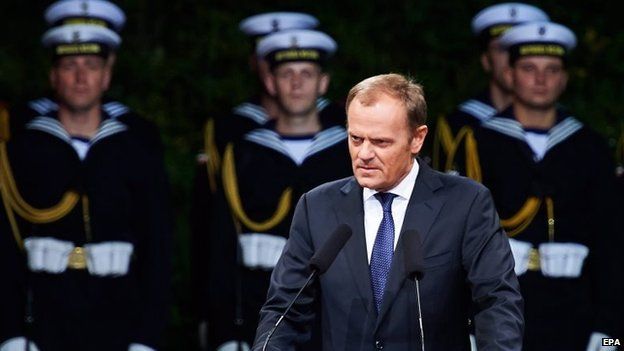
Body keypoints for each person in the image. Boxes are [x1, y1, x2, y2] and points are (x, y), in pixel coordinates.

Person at [253, 73, 523, 350]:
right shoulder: (317, 207)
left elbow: (497, 302)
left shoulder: (466, 203)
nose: (364, 154)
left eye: (380, 142)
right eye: (356, 139)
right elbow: (284, 312)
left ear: (416, 139)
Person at [0, 5, 172, 351]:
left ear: (107, 76)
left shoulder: (135, 146)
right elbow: (3, 247)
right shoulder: (20, 147)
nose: (81, 78)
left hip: (117, 314)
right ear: (53, 75)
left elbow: (158, 248)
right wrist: (10, 333)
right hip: (43, 317)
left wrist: (147, 337)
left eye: (91, 67)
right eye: (69, 66)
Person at [199, 29, 352, 351]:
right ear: (270, 83)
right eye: (286, 74)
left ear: (323, 84)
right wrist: (226, 332)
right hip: (261, 316)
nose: (296, 84)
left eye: (306, 74)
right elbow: (221, 250)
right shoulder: (242, 154)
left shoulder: (351, 153)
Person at [474, 21, 622, 350]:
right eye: (529, 68)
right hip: (501, 307)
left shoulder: (589, 145)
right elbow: (461, 240)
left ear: (565, 78)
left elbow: (611, 242)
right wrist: (468, 322)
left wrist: (610, 329)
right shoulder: (479, 142)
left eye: (552, 69)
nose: (541, 80)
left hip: (576, 311)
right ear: (509, 74)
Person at [432, 3, 549, 176]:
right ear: (486, 60)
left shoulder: (566, 128)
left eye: (522, 51)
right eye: (503, 49)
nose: (512, 60)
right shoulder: (457, 125)